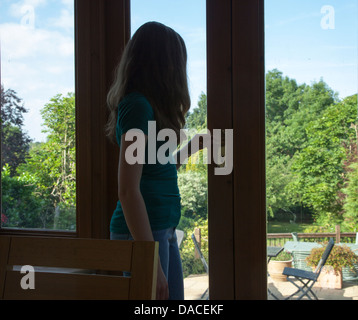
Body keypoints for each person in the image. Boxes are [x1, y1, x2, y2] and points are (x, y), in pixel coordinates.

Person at [106, 21, 208, 300]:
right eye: (177, 63)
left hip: (162, 229)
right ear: (164, 65)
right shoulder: (137, 106)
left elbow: (158, 165)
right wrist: (148, 260)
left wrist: (196, 145)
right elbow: (128, 190)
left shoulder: (148, 107)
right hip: (142, 235)